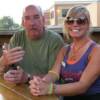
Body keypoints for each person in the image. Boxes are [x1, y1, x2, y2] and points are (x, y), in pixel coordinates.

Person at [29, 5, 100, 100]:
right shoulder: (65, 50)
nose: (75, 24)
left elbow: (83, 86)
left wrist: (50, 89)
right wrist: (41, 83)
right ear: (66, 24)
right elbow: (54, 73)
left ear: (88, 25)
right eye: (70, 20)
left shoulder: (96, 50)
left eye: (81, 21)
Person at [0, 5, 64, 84]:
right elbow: (9, 67)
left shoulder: (55, 41)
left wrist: (28, 77)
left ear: (43, 20)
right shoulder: (17, 38)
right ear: (23, 23)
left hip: (46, 91)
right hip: (20, 89)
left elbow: (56, 76)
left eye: (36, 17)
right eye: (27, 18)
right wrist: (4, 63)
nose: (32, 23)